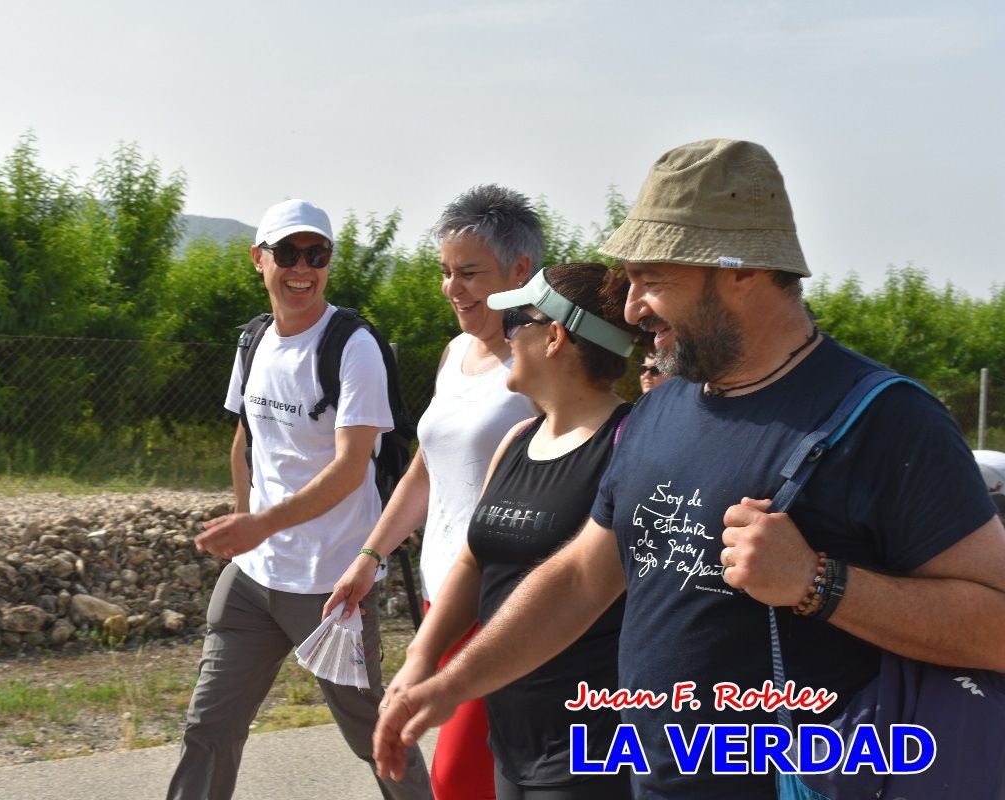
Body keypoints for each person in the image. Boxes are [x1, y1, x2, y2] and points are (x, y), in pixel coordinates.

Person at [374, 139, 1005, 799]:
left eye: (654, 279)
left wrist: (818, 583)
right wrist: (454, 682)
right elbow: (583, 580)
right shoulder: (661, 409)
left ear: (742, 271)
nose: (631, 309)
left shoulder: (886, 421)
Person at [166, 199, 430, 800]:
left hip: (332, 587)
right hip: (254, 583)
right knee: (209, 726)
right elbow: (245, 438)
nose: (302, 268)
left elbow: (349, 466)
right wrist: (244, 522)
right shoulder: (255, 340)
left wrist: (259, 524)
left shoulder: (353, 346)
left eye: (317, 255)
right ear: (260, 260)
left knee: (375, 736)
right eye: (288, 253)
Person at [384, 263, 646, 799]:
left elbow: (580, 584)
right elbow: (472, 562)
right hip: (510, 741)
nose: (503, 338)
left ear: (555, 336)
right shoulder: (517, 440)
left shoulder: (631, 449)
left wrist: (450, 682)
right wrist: (421, 658)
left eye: (513, 324)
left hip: (590, 755)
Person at [323, 184, 542, 799]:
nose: (453, 289)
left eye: (470, 274)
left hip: (502, 605)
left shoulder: (542, 361)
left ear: (521, 271)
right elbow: (426, 469)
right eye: (446, 273)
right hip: (439, 601)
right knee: (494, 779)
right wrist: (370, 557)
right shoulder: (456, 353)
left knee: (455, 781)